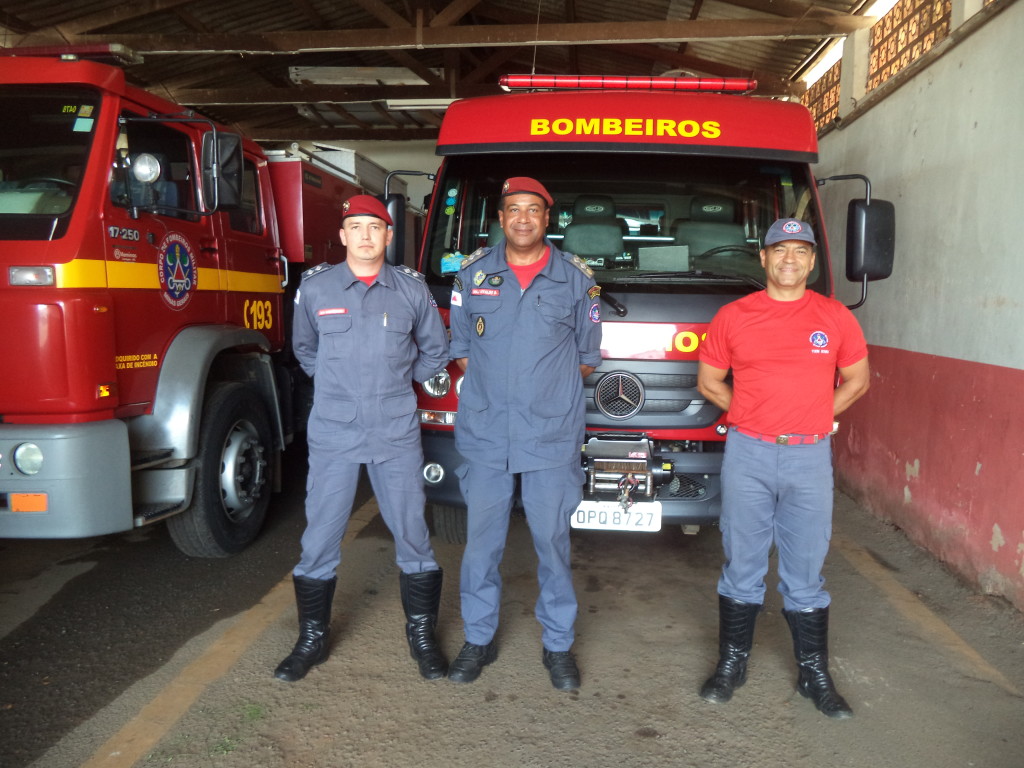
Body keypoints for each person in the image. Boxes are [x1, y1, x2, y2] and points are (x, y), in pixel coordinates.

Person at [696, 217, 870, 719]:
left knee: (806, 569)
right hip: (748, 454)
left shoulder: (835, 317)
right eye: (780, 250)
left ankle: (813, 672)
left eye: (800, 251)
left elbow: (857, 380)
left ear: (812, 262)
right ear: (764, 258)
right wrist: (751, 413)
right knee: (742, 563)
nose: (789, 259)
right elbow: (710, 381)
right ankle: (732, 663)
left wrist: (814, 414)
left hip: (809, 456)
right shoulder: (734, 316)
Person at [276, 194, 450, 683]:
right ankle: (312, 638)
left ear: (389, 236)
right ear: (344, 234)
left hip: (395, 428)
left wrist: (399, 382)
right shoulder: (316, 290)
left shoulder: (412, 291)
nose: (367, 235)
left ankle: (422, 636)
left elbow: (436, 352)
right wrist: (338, 387)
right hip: (334, 429)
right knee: (320, 537)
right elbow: (305, 350)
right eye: (357, 226)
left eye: (376, 226)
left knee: (413, 534)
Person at [446, 177, 602, 690]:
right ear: (501, 217)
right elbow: (463, 348)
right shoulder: (472, 276)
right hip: (488, 433)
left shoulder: (576, 280)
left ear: (547, 219)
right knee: (481, 546)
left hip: (550, 437)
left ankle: (558, 645)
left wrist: (542, 395)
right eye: (513, 209)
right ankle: (478, 637)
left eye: (533, 210)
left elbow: (584, 358)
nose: (523, 219)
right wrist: (500, 392)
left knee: (552, 543)